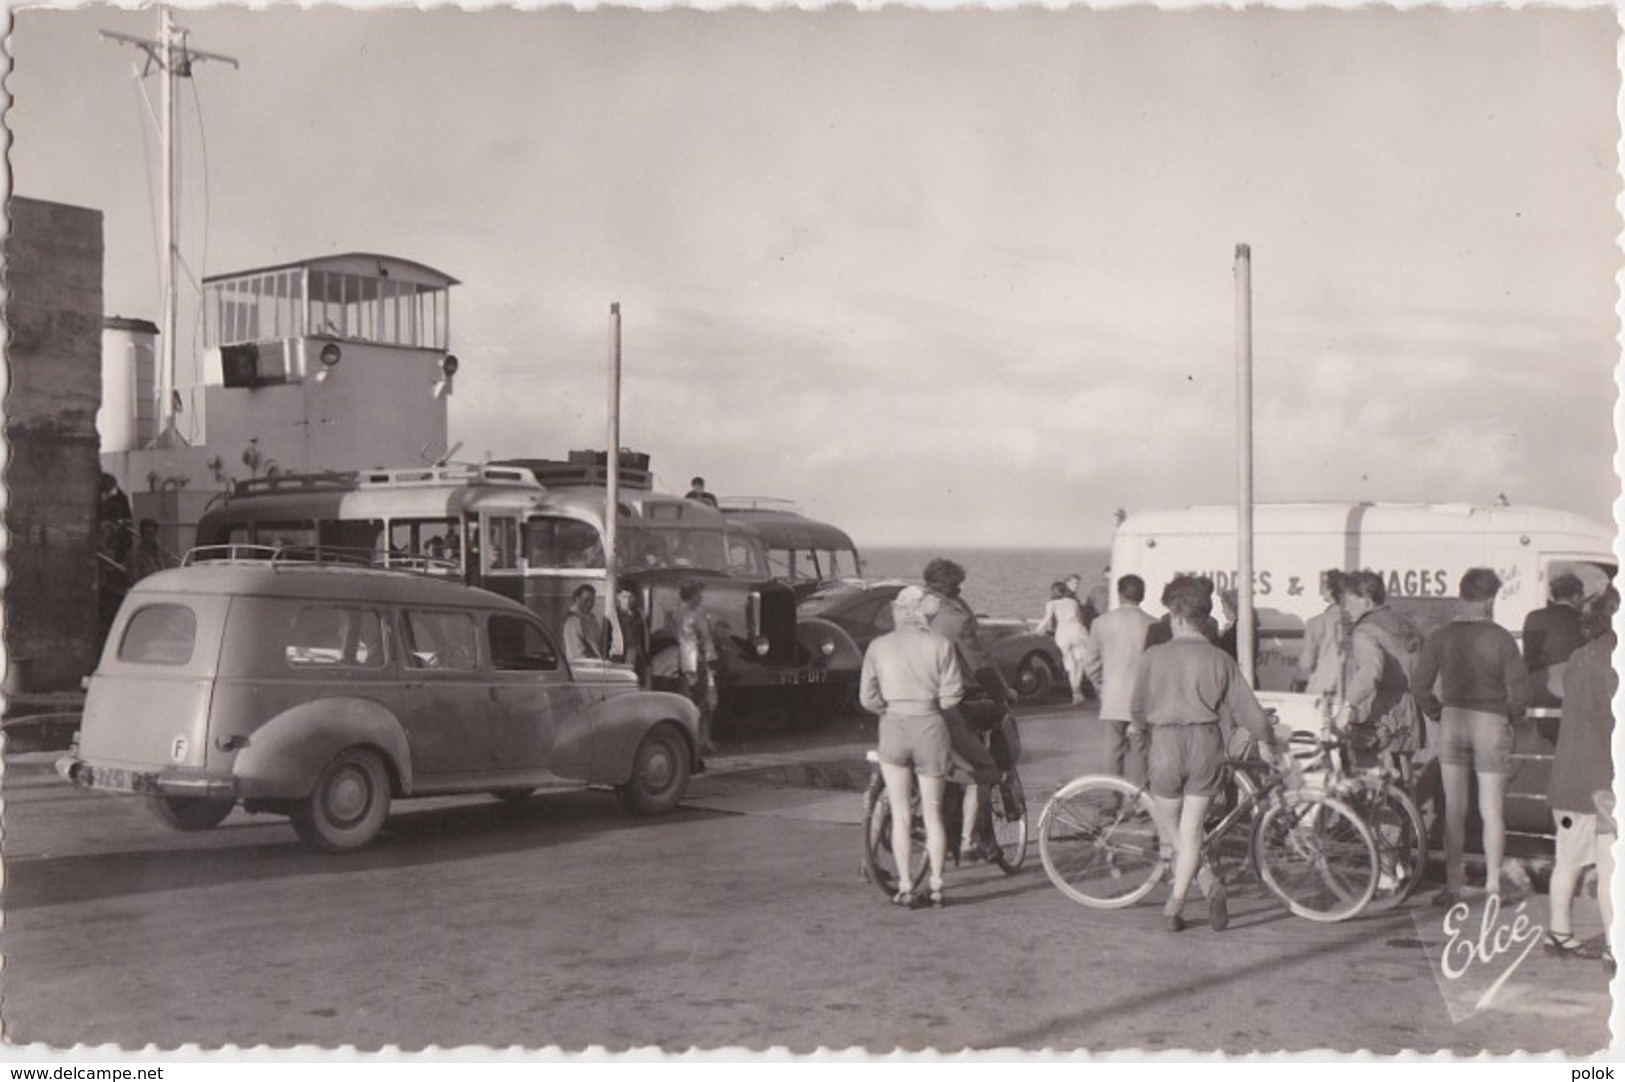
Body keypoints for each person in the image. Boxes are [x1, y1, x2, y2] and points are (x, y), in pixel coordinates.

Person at [1130, 575, 1283, 933]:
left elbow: (1136, 709)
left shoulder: (1154, 657)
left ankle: (1207, 882)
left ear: (1177, 615)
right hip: (1206, 744)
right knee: (1192, 828)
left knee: (1172, 830)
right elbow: (1251, 714)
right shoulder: (1220, 659)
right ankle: (1176, 904)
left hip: (1166, 744)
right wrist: (1268, 739)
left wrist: (1141, 727)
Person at [1412, 567, 1532, 905]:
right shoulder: (1501, 638)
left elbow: (1419, 686)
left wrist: (1437, 712)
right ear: (1491, 599)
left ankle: (1453, 885)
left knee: (1454, 809)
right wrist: (1511, 714)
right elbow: (1521, 691)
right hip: (1491, 723)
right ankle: (1493, 885)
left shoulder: (1440, 636)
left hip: (1453, 720)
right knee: (1491, 808)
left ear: (1461, 596)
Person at [859, 585, 965, 909]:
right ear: (925, 612)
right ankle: (936, 886)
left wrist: (888, 708)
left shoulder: (879, 646)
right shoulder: (940, 645)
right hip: (930, 726)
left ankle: (905, 885)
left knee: (901, 814)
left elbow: (867, 697)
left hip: (893, 727)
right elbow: (952, 696)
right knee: (932, 813)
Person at [923, 557, 1017, 865]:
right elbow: (981, 665)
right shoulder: (955, 617)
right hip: (955, 701)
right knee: (982, 765)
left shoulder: (914, 611)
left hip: (914, 703)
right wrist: (1003, 694)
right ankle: (974, 838)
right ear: (954, 586)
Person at [1544, 586, 1617, 970]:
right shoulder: (1615, 659)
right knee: (1609, 869)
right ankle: (1613, 948)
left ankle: (1559, 934)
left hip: (1568, 780)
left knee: (1567, 861)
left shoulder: (1579, 657)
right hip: (1603, 780)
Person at [1334, 570, 1422, 769]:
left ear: (1366, 600)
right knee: (1402, 784)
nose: (1345, 607)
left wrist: (1348, 706)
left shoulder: (1365, 630)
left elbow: (1370, 672)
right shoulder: (1405, 624)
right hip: (1408, 711)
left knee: (1372, 785)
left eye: (1349, 600)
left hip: (1377, 715)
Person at [1082, 574, 1159, 786]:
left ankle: (1110, 803)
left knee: (1112, 751)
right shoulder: (1154, 624)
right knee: (1139, 751)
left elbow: (1090, 662)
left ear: (1119, 594)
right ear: (1142, 595)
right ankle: (1139, 803)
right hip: (1144, 698)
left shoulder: (1101, 623)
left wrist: (1101, 687)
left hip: (1113, 695)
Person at [1522, 572, 1586, 707]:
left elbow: (1530, 659)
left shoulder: (1534, 617)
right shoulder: (1585, 621)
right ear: (1576, 596)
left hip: (1541, 693)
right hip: (1577, 695)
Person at [677, 578, 721, 755]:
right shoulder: (687, 614)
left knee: (706, 702)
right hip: (694, 661)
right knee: (698, 701)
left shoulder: (695, 612)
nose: (701, 596)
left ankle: (704, 739)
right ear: (691, 595)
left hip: (697, 660)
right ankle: (697, 740)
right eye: (698, 593)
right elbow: (699, 638)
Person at [1036, 581, 1090, 704]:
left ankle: (1075, 692)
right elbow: (1080, 619)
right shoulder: (1073, 602)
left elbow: (1047, 618)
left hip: (1063, 633)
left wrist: (1038, 630)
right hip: (1077, 631)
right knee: (1080, 661)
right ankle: (1077, 688)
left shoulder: (1051, 603)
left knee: (1070, 663)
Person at [1297, 570, 1346, 698]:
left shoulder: (1316, 622)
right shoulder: (1357, 621)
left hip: (1322, 687)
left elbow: (1306, 663)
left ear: (1330, 590)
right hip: (1348, 688)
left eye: (1324, 585)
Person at [608, 585, 651, 687]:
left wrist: (646, 653)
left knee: (640, 683)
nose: (627, 601)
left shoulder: (640, 614)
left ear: (635, 598)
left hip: (639, 653)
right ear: (618, 597)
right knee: (624, 683)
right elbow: (606, 641)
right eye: (624, 597)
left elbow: (645, 635)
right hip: (622, 655)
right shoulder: (611, 616)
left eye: (630, 597)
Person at [561, 584, 604, 662]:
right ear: (577, 599)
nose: (589, 604)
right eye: (586, 600)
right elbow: (577, 654)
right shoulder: (572, 622)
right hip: (582, 666)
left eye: (592, 600)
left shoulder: (591, 617)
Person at [98, 472, 134, 566]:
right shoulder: (99, 496)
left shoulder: (120, 498)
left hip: (116, 534)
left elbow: (128, 517)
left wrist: (120, 522)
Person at [123, 519, 168, 584]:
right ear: (142, 534)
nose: (151, 536)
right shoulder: (134, 555)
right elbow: (134, 578)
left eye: (153, 533)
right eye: (148, 533)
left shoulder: (164, 553)